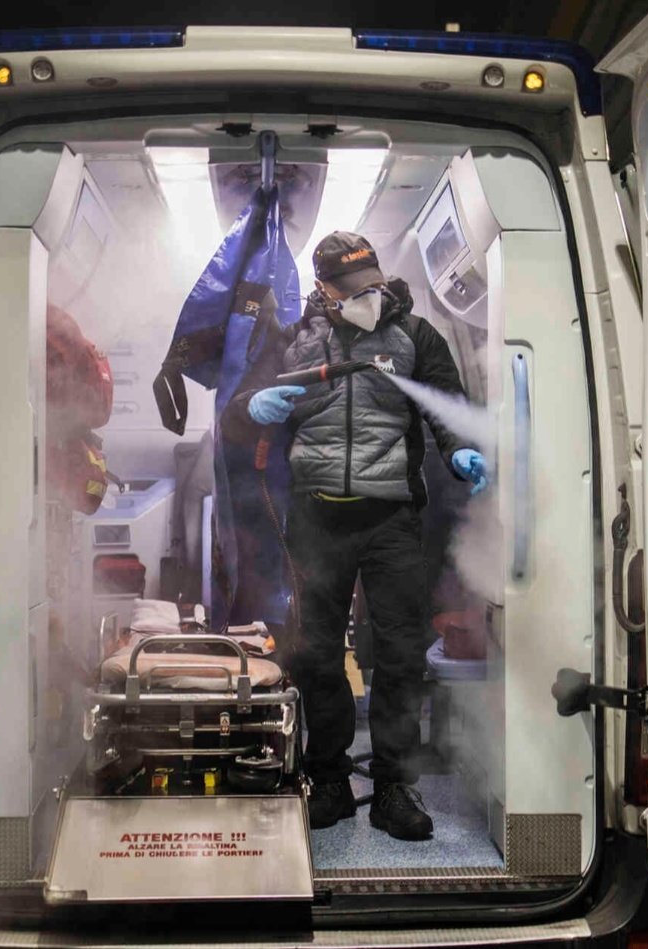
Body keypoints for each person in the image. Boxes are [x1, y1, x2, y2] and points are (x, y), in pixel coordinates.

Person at [222, 231, 487, 841]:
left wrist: (464, 452)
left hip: (391, 519)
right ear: (323, 290)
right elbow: (237, 412)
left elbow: (447, 408)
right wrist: (255, 405)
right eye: (348, 289)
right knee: (316, 652)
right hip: (317, 519)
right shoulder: (292, 342)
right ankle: (331, 779)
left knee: (398, 653)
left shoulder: (415, 336)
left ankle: (395, 785)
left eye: (369, 282)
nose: (363, 295)